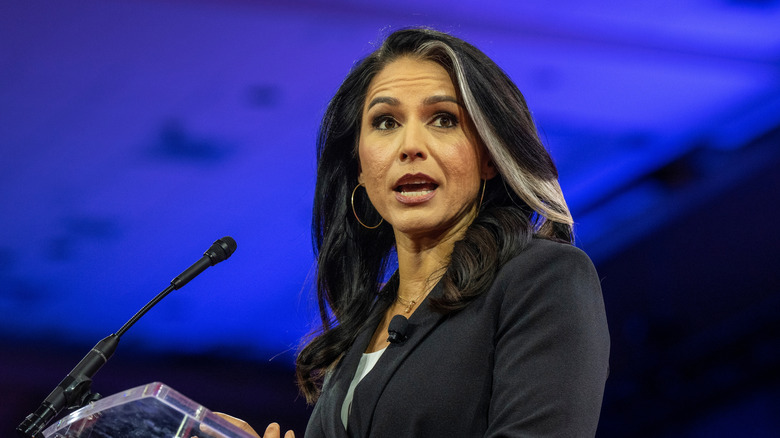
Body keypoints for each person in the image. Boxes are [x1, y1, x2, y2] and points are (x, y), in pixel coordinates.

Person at [222, 27, 609, 438]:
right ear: (360, 166)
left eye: (443, 119)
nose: (410, 146)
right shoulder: (361, 332)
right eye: (386, 122)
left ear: (490, 157)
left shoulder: (543, 279)